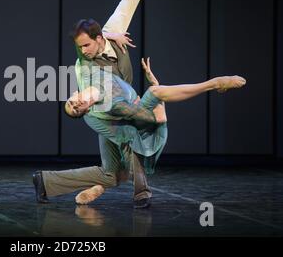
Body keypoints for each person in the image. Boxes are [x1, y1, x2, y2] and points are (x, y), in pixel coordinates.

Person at [33, 0, 175, 208]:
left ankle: (46, 182)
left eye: (87, 45)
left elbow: (129, 0)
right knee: (132, 136)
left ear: (99, 38)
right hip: (103, 115)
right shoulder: (83, 67)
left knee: (110, 174)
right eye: (80, 47)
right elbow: (97, 100)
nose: (84, 51)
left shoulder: (113, 31)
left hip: (119, 108)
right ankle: (142, 192)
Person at [65, 57, 246, 204]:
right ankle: (100, 187)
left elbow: (92, 40)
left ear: (73, 94)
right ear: (85, 111)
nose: (76, 105)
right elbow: (126, 132)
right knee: (111, 169)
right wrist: (158, 112)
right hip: (130, 129)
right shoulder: (94, 114)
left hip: (139, 123)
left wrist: (114, 34)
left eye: (71, 103)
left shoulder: (85, 74)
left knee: (154, 91)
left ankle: (214, 83)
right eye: (76, 110)